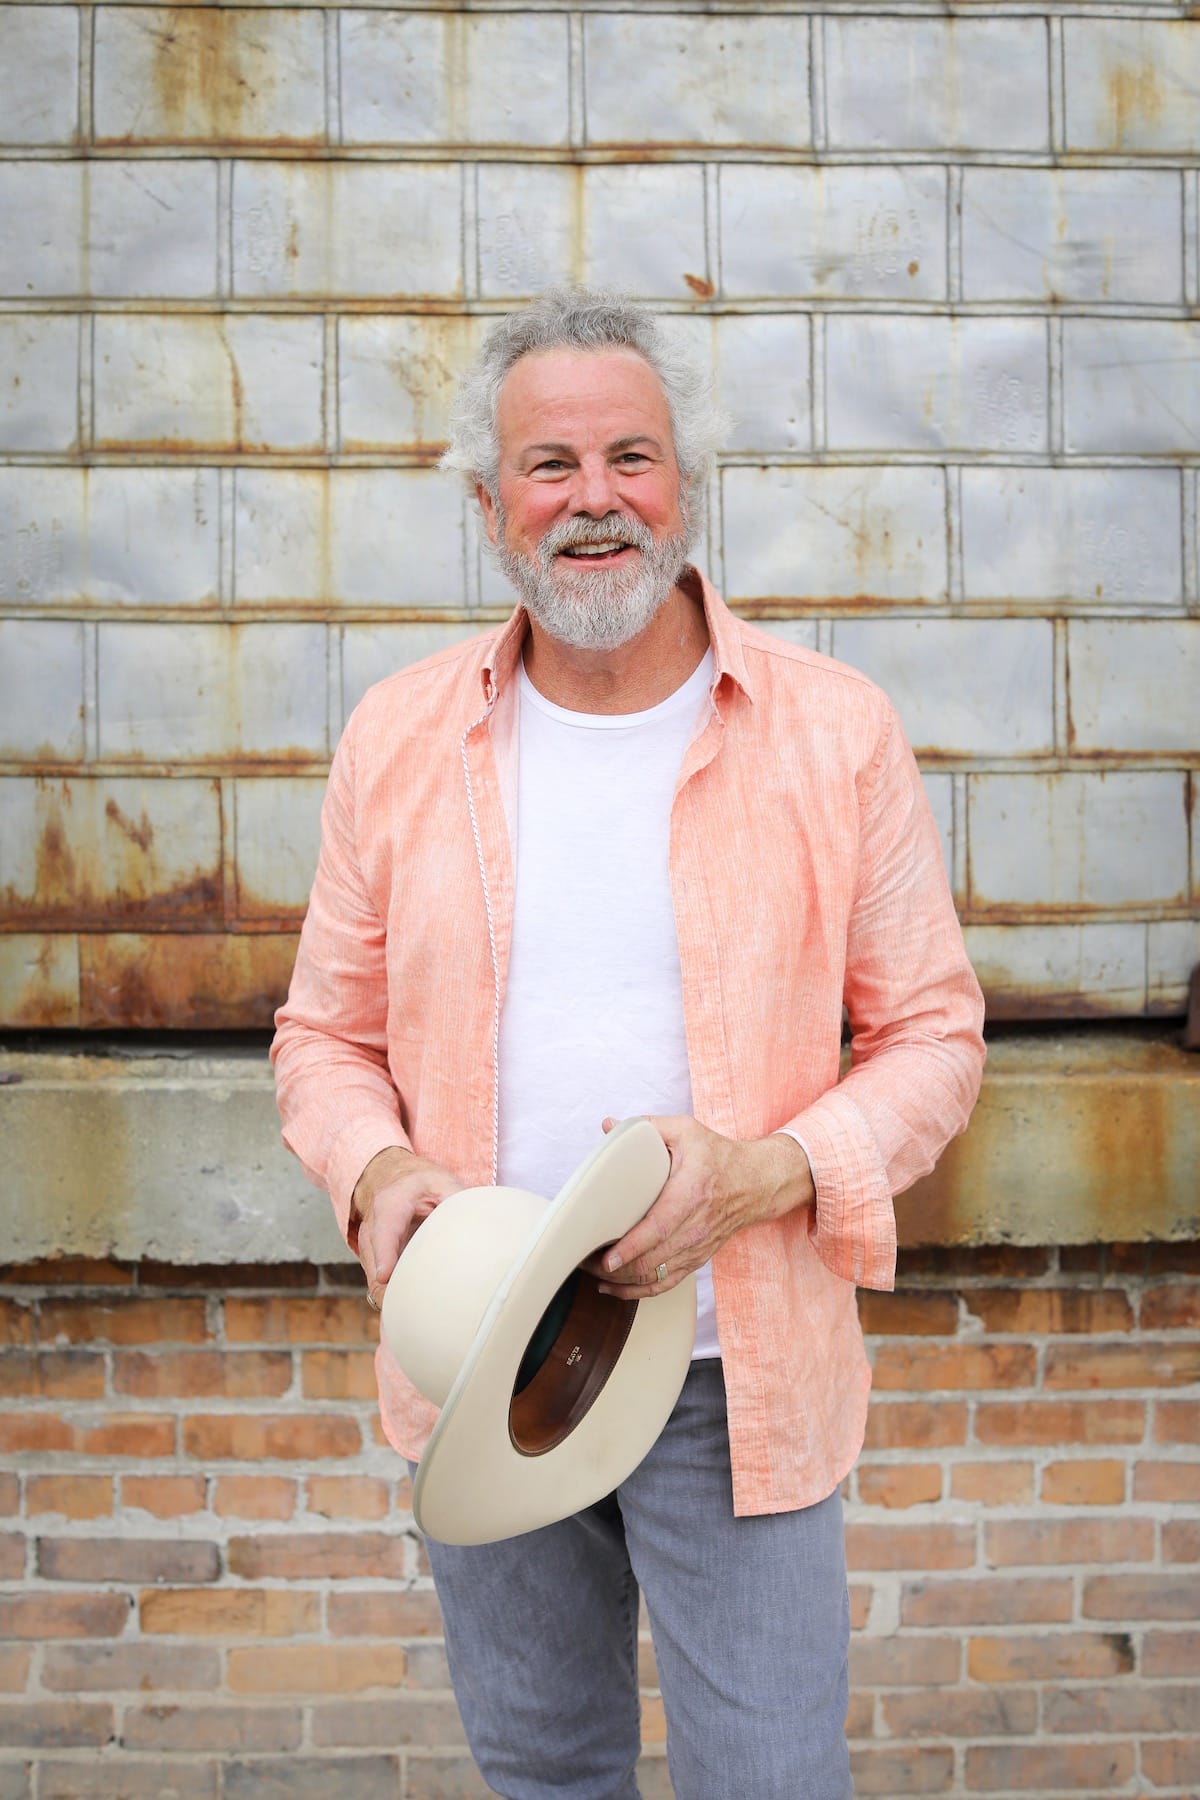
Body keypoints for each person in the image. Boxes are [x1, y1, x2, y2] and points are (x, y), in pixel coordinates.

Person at [271, 287, 986, 1799]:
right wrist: (375, 1165)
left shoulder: (832, 731)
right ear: (490, 508)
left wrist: (771, 1172)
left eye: (632, 457)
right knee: (543, 1772)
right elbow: (322, 1035)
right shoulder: (396, 741)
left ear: (685, 485)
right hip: (487, 1364)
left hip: (736, 1375)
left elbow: (933, 1035)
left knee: (773, 1778)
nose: (594, 500)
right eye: (550, 465)